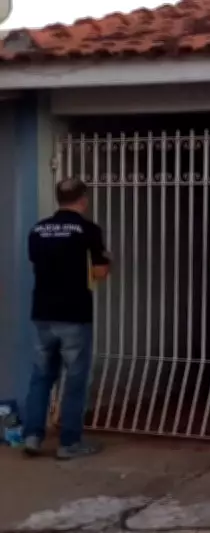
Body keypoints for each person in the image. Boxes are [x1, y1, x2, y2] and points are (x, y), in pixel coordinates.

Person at [23, 179, 111, 460]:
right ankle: (69, 443)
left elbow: (37, 263)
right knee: (75, 380)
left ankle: (33, 436)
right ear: (83, 199)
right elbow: (100, 272)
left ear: (59, 198)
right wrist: (106, 261)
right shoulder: (88, 230)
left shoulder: (38, 230)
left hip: (42, 313)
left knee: (41, 377)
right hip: (74, 314)